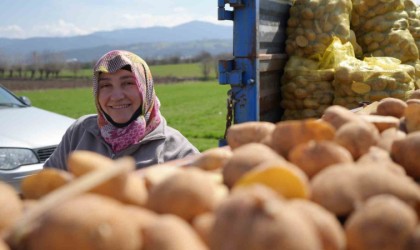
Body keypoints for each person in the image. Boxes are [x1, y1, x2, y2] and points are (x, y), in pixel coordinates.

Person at [44, 50, 199, 170]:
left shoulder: (176, 150)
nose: (117, 96)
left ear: (146, 88)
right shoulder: (80, 132)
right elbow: (46, 184)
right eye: (105, 85)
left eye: (128, 83)